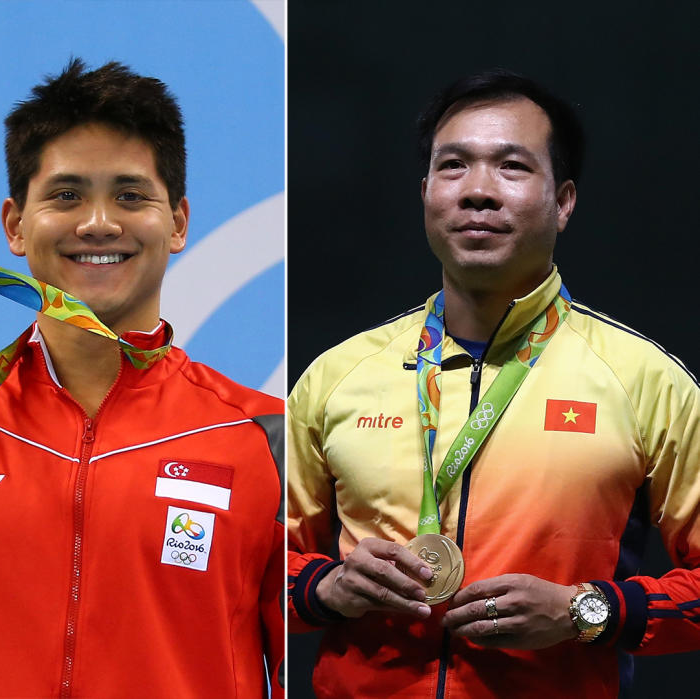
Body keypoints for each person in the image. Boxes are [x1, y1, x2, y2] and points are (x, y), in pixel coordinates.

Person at [0, 59, 284, 698]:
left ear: (177, 222)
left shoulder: (264, 435)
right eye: (66, 195)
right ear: (14, 225)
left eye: (129, 195)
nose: (97, 223)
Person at [288, 69, 700, 697]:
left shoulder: (647, 381)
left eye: (511, 167)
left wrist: (584, 612)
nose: (478, 191)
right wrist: (326, 588)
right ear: (425, 191)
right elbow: (248, 569)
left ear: (563, 201)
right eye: (453, 166)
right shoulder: (337, 376)